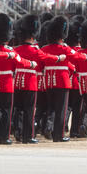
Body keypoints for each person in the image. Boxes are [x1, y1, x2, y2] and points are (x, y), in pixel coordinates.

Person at [0, 13, 37, 145]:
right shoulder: (10, 52)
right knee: (6, 111)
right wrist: (31, 64)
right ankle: (3, 137)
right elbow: (20, 62)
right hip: (6, 84)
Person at [13, 14, 65, 144]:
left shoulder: (16, 49)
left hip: (18, 81)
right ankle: (28, 136)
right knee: (29, 110)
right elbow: (46, 57)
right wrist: (58, 58)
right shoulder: (35, 51)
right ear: (33, 35)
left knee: (18, 109)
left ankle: (18, 132)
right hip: (30, 82)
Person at [41, 16, 87, 142]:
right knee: (61, 110)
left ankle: (48, 126)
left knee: (51, 107)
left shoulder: (44, 49)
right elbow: (77, 57)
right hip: (62, 81)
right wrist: (86, 57)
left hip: (49, 81)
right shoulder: (64, 48)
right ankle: (59, 135)